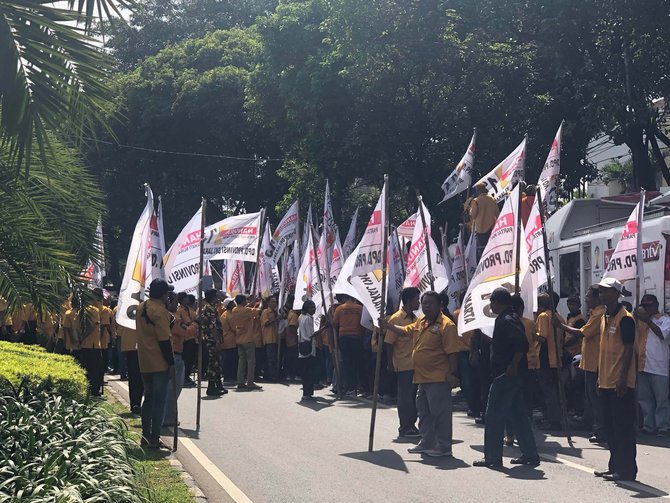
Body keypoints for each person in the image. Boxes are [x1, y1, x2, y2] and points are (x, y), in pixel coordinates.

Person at [382, 291, 460, 457]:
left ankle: (444, 446)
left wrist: (453, 374)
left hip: (438, 378)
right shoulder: (421, 322)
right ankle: (426, 441)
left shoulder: (447, 325)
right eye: (424, 303)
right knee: (424, 413)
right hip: (421, 378)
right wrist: (388, 326)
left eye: (431, 303)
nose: (426, 306)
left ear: (440, 305)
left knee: (440, 414)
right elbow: (405, 331)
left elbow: (453, 352)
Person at [474, 289, 539, 468]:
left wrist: (513, 364)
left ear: (496, 301)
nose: (490, 306)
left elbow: (521, 343)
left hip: (506, 375)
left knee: (494, 417)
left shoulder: (506, 319)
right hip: (512, 376)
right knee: (519, 416)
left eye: (491, 302)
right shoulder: (508, 318)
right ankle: (530, 454)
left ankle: (492, 458)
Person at [593, 278, 637, 482]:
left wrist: (622, 378)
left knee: (623, 429)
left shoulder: (625, 318)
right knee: (609, 429)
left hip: (620, 383)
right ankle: (614, 467)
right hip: (605, 381)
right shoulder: (604, 317)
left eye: (607, 292)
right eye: (600, 292)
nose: (602, 295)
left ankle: (627, 470)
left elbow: (629, 349)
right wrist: (600, 377)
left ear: (617, 294)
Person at [554, 285, 606, 443]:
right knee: (589, 397)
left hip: (596, 362)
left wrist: (560, 326)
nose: (587, 299)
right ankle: (591, 423)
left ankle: (601, 429)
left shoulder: (599, 314)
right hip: (588, 361)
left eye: (589, 296)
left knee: (596, 399)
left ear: (598, 297)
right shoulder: (593, 313)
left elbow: (583, 332)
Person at [136, 279, 175, 449]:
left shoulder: (141, 307)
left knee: (148, 399)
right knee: (159, 401)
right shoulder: (160, 312)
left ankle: (145, 436)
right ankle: (154, 438)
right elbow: (165, 340)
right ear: (164, 294)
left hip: (144, 360)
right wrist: (171, 363)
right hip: (159, 361)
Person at [384, 287, 421, 438]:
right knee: (405, 397)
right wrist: (390, 363)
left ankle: (412, 425)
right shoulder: (396, 319)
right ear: (409, 300)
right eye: (417, 299)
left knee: (415, 398)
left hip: (416, 364)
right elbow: (389, 343)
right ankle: (405, 427)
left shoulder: (416, 319)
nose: (418, 302)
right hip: (403, 364)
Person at [634, 294, 670, 436]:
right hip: (642, 365)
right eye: (644, 306)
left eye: (649, 305)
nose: (647, 308)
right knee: (645, 399)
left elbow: (662, 335)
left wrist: (647, 321)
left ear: (656, 305)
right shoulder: (640, 322)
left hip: (659, 367)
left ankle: (663, 427)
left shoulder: (665, 320)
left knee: (661, 399)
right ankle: (649, 426)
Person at [535, 293, 564, 430]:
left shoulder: (543, 316)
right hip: (556, 358)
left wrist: (530, 331)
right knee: (555, 391)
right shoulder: (559, 317)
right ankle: (555, 418)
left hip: (545, 357)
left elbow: (542, 337)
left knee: (548, 391)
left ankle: (553, 420)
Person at [63, 295, 102, 396]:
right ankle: (94, 390)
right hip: (92, 345)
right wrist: (82, 338)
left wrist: (76, 340)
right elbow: (92, 327)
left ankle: (85, 390)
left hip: (79, 345)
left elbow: (69, 329)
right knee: (94, 369)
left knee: (83, 369)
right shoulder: (94, 310)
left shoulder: (75, 312)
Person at [164, 290, 190, 427]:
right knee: (172, 389)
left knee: (170, 389)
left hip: (174, 353)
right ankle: (167, 418)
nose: (176, 304)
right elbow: (185, 333)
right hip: (174, 354)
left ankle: (167, 417)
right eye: (174, 300)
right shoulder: (171, 318)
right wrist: (196, 324)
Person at [333, 296, 365, 396]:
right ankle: (357, 387)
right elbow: (363, 323)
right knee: (357, 363)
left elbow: (334, 324)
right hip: (357, 337)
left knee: (347, 364)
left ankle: (350, 387)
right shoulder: (360, 308)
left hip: (344, 338)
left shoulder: (339, 309)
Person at [231, 294, 263, 391]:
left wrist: (253, 301)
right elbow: (258, 311)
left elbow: (248, 308)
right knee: (251, 362)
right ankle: (250, 382)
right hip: (248, 339)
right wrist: (261, 303)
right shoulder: (245, 310)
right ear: (243, 301)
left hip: (239, 339)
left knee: (241, 362)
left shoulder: (235, 310)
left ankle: (240, 381)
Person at [297, 300, 327, 401]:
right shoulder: (308, 319)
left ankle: (308, 392)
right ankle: (307, 393)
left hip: (302, 345)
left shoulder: (302, 317)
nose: (313, 309)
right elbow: (311, 334)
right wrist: (323, 328)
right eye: (311, 307)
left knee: (306, 372)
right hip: (308, 347)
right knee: (309, 372)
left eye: (314, 307)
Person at [199, 289, 225, 397]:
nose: (218, 299)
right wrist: (217, 340)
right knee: (213, 364)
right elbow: (212, 326)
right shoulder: (209, 309)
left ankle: (218, 385)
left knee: (217, 363)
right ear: (213, 298)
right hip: (211, 340)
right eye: (216, 296)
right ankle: (211, 387)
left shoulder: (212, 308)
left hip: (212, 339)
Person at [469, 182, 499, 260]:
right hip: (492, 229)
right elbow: (497, 214)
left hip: (480, 230)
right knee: (491, 249)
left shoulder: (476, 201)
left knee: (481, 251)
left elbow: (473, 215)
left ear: (478, 190)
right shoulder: (492, 199)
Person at [220, 298, 238, 384]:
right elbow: (234, 328)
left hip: (228, 340)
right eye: (232, 302)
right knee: (230, 360)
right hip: (230, 340)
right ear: (229, 305)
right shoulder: (229, 315)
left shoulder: (226, 314)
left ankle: (229, 376)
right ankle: (228, 377)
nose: (234, 304)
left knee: (229, 359)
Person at [261, 296, 280, 382]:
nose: (274, 304)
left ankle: (272, 375)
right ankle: (270, 376)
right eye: (272, 302)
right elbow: (266, 323)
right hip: (268, 339)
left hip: (275, 338)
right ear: (268, 303)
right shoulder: (266, 312)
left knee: (273, 358)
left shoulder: (275, 312)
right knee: (270, 358)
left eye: (275, 302)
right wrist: (276, 319)